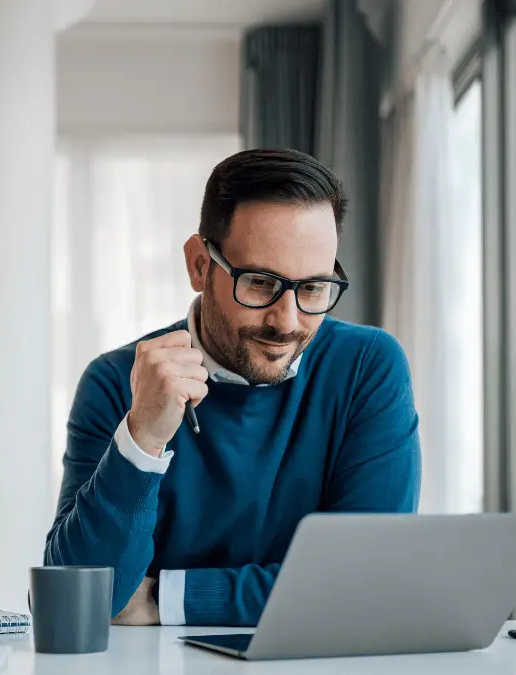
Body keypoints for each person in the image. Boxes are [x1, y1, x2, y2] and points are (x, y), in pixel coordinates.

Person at [43, 147, 420, 627]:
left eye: (314, 288)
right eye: (261, 283)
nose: (287, 322)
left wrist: (168, 598)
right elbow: (74, 602)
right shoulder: (117, 381)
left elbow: (371, 582)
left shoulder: (368, 367)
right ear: (200, 265)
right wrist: (142, 440)